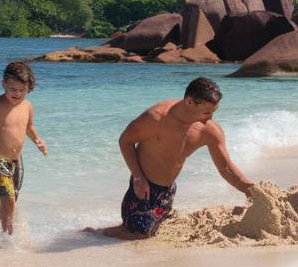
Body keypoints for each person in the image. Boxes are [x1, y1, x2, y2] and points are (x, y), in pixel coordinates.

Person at [96, 76, 254, 240]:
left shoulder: (209, 131)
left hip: (168, 190)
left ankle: (106, 231)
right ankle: (95, 235)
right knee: (138, 234)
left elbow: (225, 167)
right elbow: (125, 140)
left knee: (150, 231)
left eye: (214, 112)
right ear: (190, 102)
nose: (210, 118)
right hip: (144, 188)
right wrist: (137, 177)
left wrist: (251, 191)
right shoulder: (156, 118)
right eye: (207, 112)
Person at [0, 61, 47, 235]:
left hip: (17, 160)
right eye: (13, 89)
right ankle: (8, 238)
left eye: (22, 90)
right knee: (9, 200)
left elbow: (29, 127)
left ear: (29, 88)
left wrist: (38, 140)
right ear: (3, 84)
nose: (17, 94)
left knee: (11, 200)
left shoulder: (27, 106)